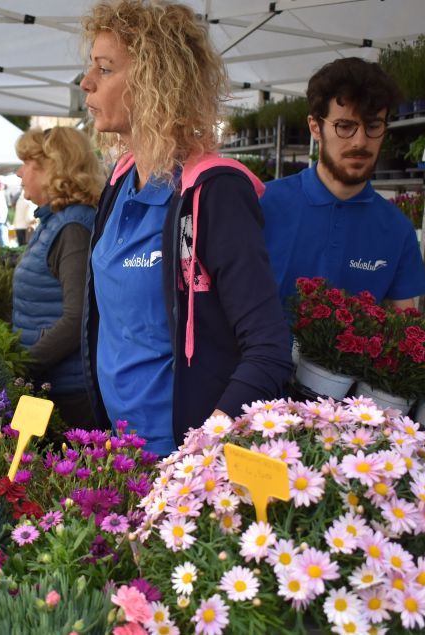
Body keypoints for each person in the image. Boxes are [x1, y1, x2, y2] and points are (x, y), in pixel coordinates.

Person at [79, 0, 292, 456]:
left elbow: (268, 347)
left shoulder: (213, 193)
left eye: (105, 69)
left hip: (177, 458)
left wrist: (203, 451)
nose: (87, 83)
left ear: (155, 81)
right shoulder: (120, 180)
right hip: (115, 447)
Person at [262, 57, 425, 310]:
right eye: (345, 126)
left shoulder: (397, 230)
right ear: (315, 127)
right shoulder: (265, 204)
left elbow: (406, 328)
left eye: (373, 126)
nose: (360, 141)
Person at [13, 127, 103, 427]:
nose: (19, 172)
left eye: (26, 163)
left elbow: (77, 317)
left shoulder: (72, 228)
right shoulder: (55, 221)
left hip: (67, 393)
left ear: (52, 167)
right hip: (51, 384)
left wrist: (22, 365)